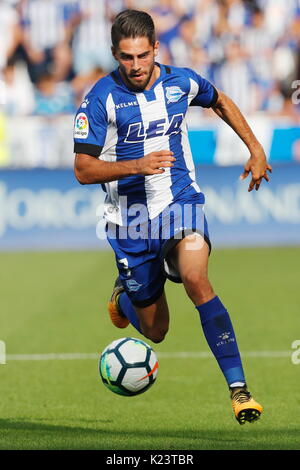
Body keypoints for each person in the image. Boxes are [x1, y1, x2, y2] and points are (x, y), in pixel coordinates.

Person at [73, 9, 272, 425]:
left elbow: (219, 99)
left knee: (197, 279)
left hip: (180, 203)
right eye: (127, 57)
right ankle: (124, 297)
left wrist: (254, 148)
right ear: (114, 54)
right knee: (156, 330)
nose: (136, 66)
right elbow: (83, 169)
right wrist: (137, 165)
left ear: (155, 48)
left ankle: (239, 391)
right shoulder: (99, 98)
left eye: (143, 56)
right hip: (129, 223)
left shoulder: (180, 82)